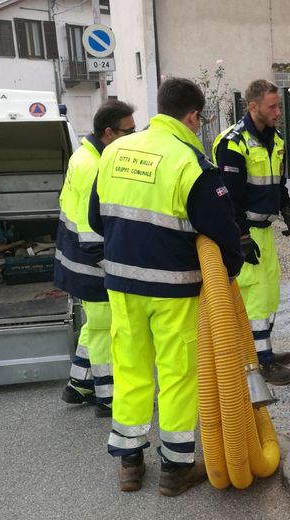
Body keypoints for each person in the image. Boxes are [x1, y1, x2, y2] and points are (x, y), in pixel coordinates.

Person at [88, 77, 243, 496]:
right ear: (192, 116)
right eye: (200, 120)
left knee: (130, 369)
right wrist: (229, 272)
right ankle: (175, 469)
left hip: (122, 284)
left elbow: (97, 219)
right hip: (173, 287)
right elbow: (222, 231)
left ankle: (129, 464)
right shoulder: (189, 162)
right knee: (177, 375)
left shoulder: (114, 151)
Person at [212, 79, 290, 385]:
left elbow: (278, 181)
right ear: (252, 107)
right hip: (245, 231)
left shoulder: (276, 140)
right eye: (272, 107)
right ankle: (260, 362)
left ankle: (263, 349)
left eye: (278, 106)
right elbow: (229, 198)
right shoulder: (233, 143)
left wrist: (285, 208)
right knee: (257, 296)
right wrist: (242, 238)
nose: (278, 112)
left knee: (270, 290)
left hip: (265, 230)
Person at [56, 100, 136, 417]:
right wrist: (112, 267)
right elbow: (91, 233)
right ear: (108, 132)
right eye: (129, 131)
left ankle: (79, 385)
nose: (133, 137)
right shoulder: (94, 167)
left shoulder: (85, 155)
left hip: (75, 259)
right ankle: (108, 397)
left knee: (95, 325)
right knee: (105, 329)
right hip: (90, 263)